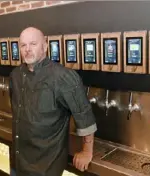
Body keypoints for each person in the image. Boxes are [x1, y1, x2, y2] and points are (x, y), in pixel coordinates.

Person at [9, 27, 97, 176]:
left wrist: (86, 152)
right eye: (23, 45)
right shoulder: (15, 75)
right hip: (18, 163)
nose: (27, 49)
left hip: (47, 166)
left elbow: (84, 116)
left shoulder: (63, 77)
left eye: (33, 44)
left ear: (45, 46)